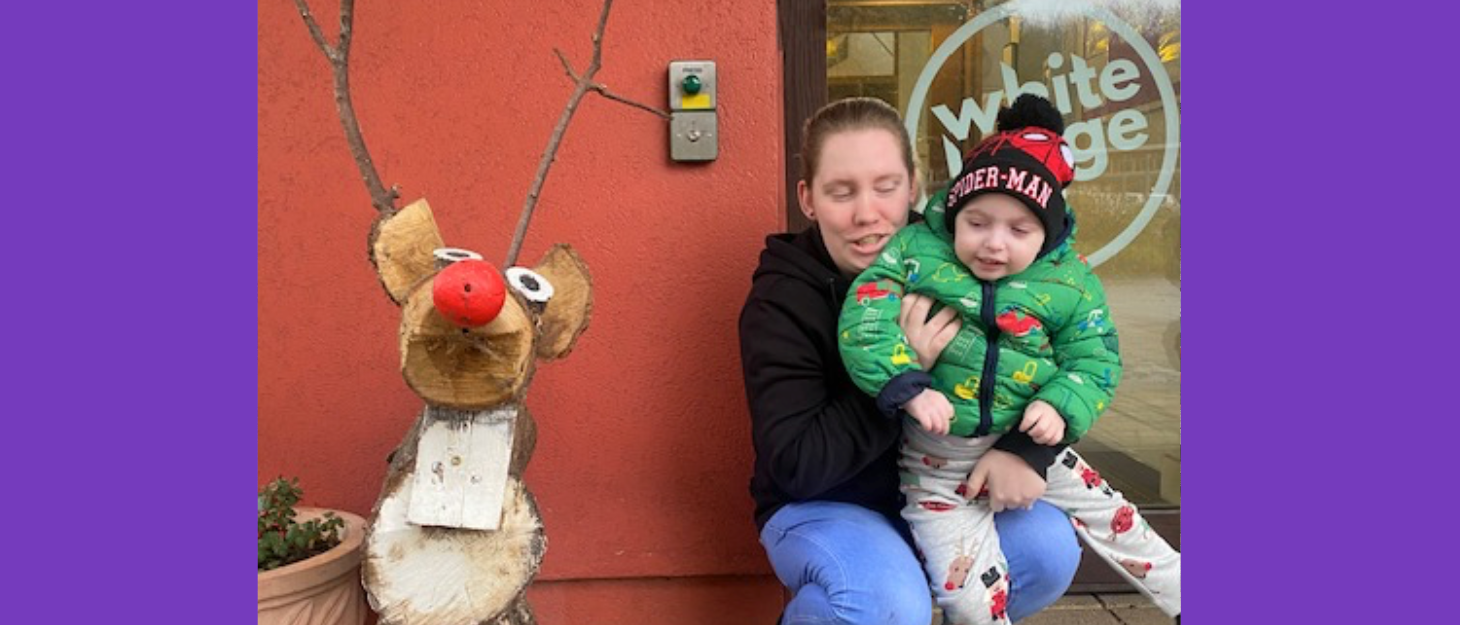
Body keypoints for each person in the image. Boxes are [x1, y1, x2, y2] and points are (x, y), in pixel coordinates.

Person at [837, 94, 1180, 624]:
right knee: (970, 597)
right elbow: (866, 316)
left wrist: (1061, 407)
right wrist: (906, 380)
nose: (994, 244)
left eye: (1019, 230)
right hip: (935, 466)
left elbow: (1095, 360)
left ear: (1046, 233)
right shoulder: (915, 252)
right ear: (954, 212)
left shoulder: (1069, 281)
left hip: (1028, 437)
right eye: (977, 222)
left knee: (1121, 521)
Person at [739, 96, 1080, 625]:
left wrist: (1024, 452)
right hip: (828, 504)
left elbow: (1067, 361)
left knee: (1049, 547)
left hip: (948, 488)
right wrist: (899, 377)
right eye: (841, 192)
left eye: (886, 187)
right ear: (808, 199)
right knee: (887, 604)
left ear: (916, 186)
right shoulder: (782, 300)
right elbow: (798, 466)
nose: (867, 214)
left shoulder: (966, 259)